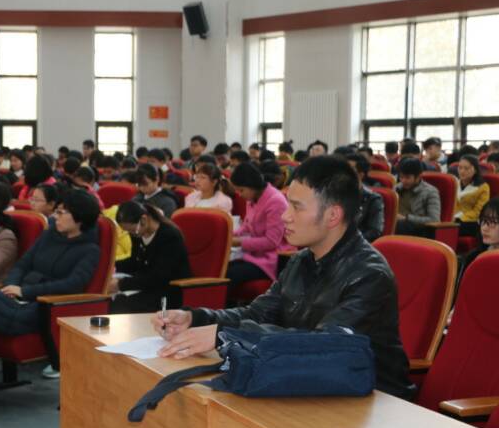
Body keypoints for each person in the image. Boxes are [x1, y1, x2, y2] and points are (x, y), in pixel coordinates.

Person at [153, 156, 415, 400]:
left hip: (376, 400)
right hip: (314, 386)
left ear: (333, 215)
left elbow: (322, 347)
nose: (285, 215)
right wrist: (196, 318)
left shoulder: (369, 275)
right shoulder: (301, 260)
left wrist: (223, 335)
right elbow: (258, 314)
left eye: (296, 207)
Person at [0, 190, 101, 418]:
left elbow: (72, 284)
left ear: (79, 218)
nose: (55, 216)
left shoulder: (90, 250)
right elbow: (22, 265)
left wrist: (25, 291)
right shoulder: (49, 236)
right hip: (14, 300)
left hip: (39, 309)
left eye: (61, 212)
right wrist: (11, 286)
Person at [109, 201, 191, 314]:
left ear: (144, 219)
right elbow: (135, 261)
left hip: (167, 291)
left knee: (119, 304)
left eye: (132, 231)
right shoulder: (138, 234)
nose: (132, 234)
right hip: (147, 286)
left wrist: (121, 284)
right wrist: (111, 266)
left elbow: (159, 276)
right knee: (111, 298)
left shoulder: (169, 236)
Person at [227, 162, 291, 291]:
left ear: (252, 185)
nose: (239, 194)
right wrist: (230, 235)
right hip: (254, 253)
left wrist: (239, 242)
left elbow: (271, 241)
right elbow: (247, 226)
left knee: (230, 274)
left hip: (273, 257)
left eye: (241, 190)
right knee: (222, 268)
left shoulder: (276, 201)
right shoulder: (252, 197)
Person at [344, 153, 384, 242]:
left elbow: (375, 231)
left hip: (357, 244)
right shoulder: (334, 195)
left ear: (361, 175)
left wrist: (347, 241)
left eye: (349, 171)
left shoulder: (373, 199)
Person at [394, 158, 440, 235]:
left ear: (419, 176)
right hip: (398, 225)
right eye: (401, 177)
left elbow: (434, 220)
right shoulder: (396, 189)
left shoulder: (430, 192)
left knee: (400, 225)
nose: (403, 181)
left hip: (419, 230)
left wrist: (406, 218)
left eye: (407, 177)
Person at [454, 154, 490, 237]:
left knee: (450, 229)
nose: (462, 171)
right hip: (453, 220)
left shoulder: (483, 187)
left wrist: (459, 218)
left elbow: (478, 211)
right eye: (460, 168)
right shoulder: (454, 183)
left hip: (471, 222)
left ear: (475, 170)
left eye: (466, 168)